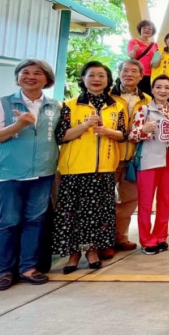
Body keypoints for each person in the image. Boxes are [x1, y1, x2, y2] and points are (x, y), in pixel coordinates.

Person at [0, 60, 60, 291]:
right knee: (8, 222)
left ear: (47, 80)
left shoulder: (55, 106)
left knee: (35, 222)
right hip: (9, 174)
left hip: (42, 174)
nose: (31, 77)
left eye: (38, 73)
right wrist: (18, 125)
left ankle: (28, 268)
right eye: (25, 73)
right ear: (17, 77)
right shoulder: (2, 103)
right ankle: (4, 271)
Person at [53, 61, 126, 274]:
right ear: (83, 79)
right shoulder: (69, 105)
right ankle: (73, 255)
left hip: (104, 169)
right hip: (75, 168)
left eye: (101, 76)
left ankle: (92, 251)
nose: (96, 79)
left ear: (108, 80)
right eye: (91, 75)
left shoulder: (116, 106)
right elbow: (61, 136)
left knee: (98, 213)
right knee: (72, 213)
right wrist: (85, 126)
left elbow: (122, 135)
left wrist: (107, 132)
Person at [127, 75, 169, 255]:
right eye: (159, 87)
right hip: (149, 160)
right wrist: (143, 130)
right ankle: (146, 240)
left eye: (167, 87)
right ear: (152, 89)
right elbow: (132, 135)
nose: (163, 91)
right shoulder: (143, 110)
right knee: (146, 201)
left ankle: (161, 236)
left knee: (165, 200)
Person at [105, 59, 151, 259]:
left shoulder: (148, 99)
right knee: (103, 200)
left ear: (141, 76)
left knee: (130, 200)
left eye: (134, 71)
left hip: (135, 157)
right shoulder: (107, 97)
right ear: (118, 73)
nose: (129, 74)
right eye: (125, 70)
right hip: (109, 155)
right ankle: (103, 241)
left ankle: (119, 237)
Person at [127, 20, 158, 95]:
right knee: (134, 95)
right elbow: (131, 56)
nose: (147, 30)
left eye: (150, 29)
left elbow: (155, 60)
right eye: (144, 28)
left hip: (150, 75)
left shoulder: (155, 45)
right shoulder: (133, 41)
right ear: (140, 29)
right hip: (136, 73)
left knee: (147, 97)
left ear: (152, 32)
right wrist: (134, 50)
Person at [151, 32, 169, 103]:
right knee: (157, 104)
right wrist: (159, 59)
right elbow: (153, 65)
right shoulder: (160, 51)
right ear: (166, 40)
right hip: (160, 84)